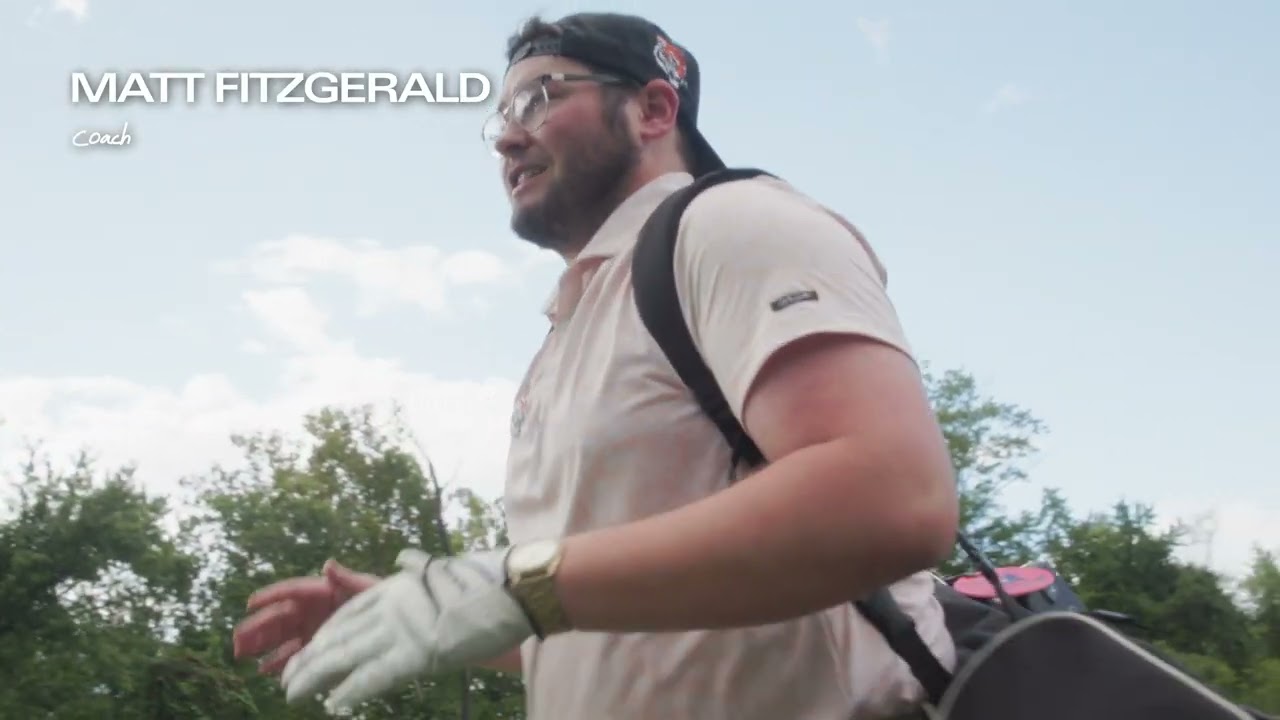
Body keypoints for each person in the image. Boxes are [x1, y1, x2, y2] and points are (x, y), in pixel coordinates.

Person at [232, 11, 960, 720]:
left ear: (652, 109)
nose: (507, 137)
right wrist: (438, 607)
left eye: (539, 98)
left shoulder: (728, 223)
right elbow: (618, 628)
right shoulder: (567, 334)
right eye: (500, 116)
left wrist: (525, 584)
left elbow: (894, 498)